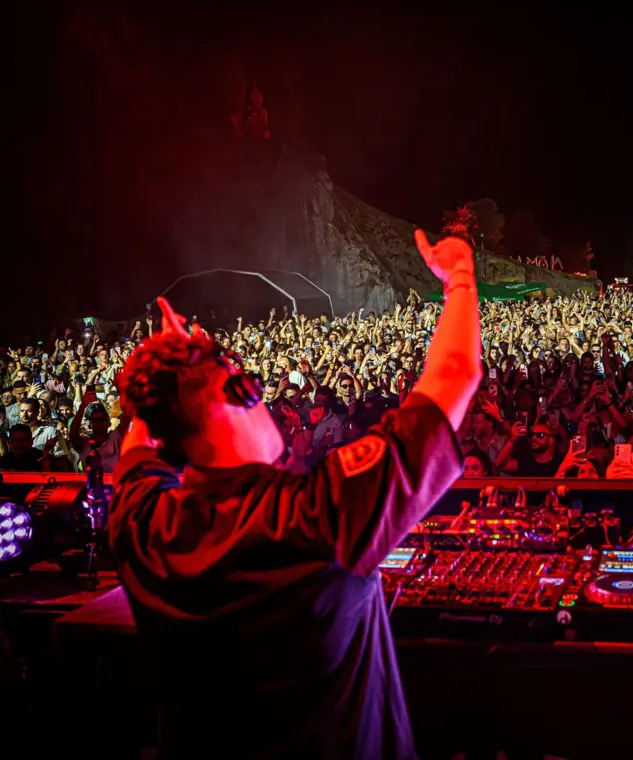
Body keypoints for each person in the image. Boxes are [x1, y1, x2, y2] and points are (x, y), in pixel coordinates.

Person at [108, 230, 481, 759]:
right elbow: (455, 373)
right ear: (239, 395)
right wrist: (460, 276)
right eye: (252, 386)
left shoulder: (141, 526)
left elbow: (140, 444)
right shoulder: (316, 515)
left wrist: (173, 368)